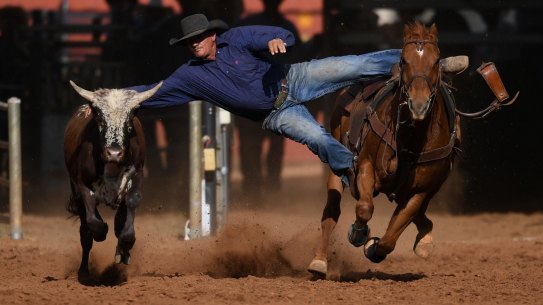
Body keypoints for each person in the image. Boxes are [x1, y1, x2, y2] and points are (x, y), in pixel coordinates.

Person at [129, 13, 465, 190]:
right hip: (276, 113)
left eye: (199, 38)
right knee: (319, 138)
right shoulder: (189, 76)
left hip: (295, 76)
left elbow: (283, 35)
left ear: (212, 35)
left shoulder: (236, 39)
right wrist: (117, 99)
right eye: (189, 42)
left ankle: (424, 63)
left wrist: (277, 40)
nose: (195, 45)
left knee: (356, 64)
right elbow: (153, 91)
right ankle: (353, 173)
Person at [234, 0, 302, 200]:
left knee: (270, 145)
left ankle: (269, 187)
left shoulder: (282, 27)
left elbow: (296, 60)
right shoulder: (260, 25)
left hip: (275, 96)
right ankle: (253, 189)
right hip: (253, 96)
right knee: (250, 147)